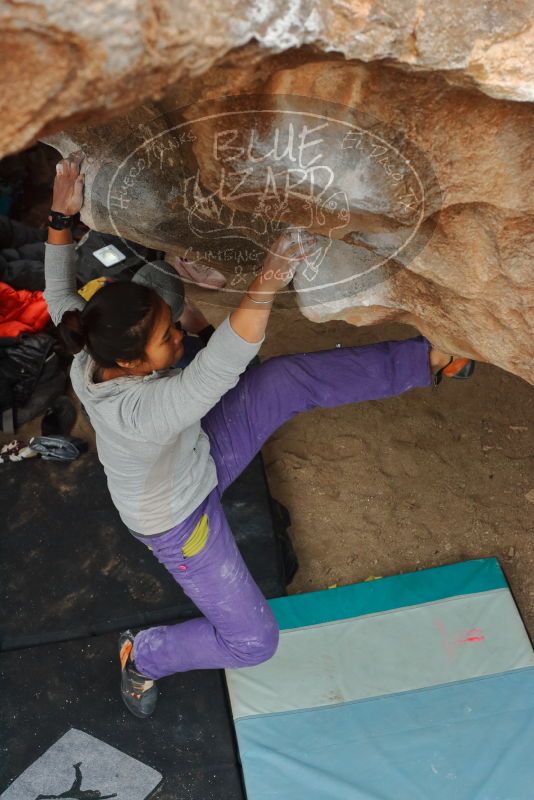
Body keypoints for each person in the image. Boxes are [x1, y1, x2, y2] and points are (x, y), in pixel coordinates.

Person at [44, 154, 475, 719]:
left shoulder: (90, 349)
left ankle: (430, 361)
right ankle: (145, 655)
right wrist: (273, 269)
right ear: (130, 364)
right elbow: (223, 361)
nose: (176, 334)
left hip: (194, 457)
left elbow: (58, 294)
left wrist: (60, 215)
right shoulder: (146, 410)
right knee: (253, 643)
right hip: (179, 521)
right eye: (164, 337)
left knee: (281, 380)